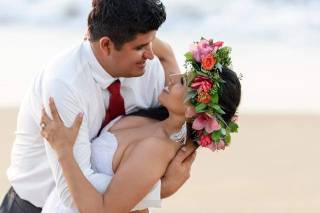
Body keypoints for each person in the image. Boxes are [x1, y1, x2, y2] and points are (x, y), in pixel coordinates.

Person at [0, 0, 195, 212]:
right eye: (140, 47)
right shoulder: (64, 84)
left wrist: (166, 53)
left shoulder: (148, 69)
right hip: (36, 205)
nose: (150, 54)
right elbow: (71, 196)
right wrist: (157, 191)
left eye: (152, 42)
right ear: (106, 45)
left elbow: (179, 116)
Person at [40, 66, 242, 212]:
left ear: (192, 111)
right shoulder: (160, 118)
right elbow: (163, 52)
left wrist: (63, 151)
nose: (172, 76)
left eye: (182, 81)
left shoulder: (156, 149)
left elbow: (102, 210)